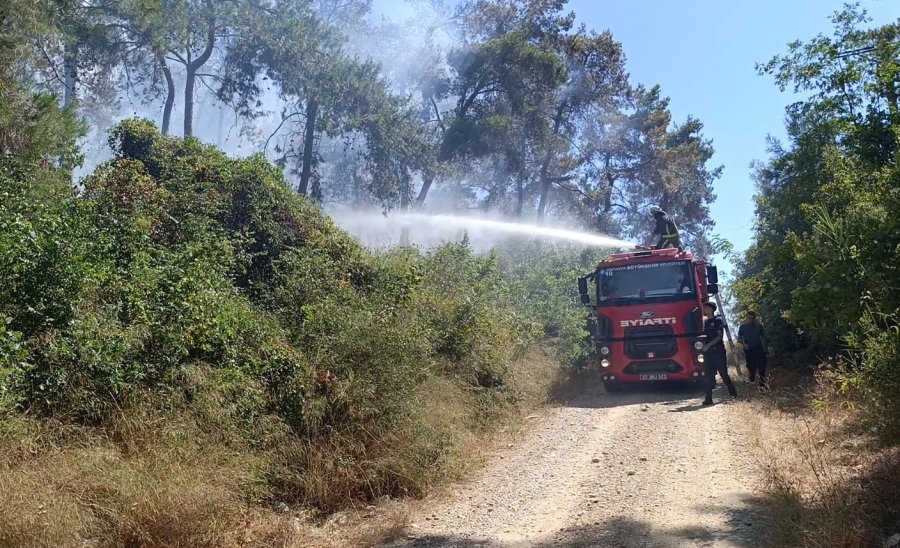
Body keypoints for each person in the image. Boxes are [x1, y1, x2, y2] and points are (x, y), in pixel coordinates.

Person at [701, 301, 737, 405]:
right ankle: (708, 399)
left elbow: (720, 336)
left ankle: (733, 394)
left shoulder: (718, 320)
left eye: (705, 308)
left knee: (723, 373)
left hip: (718, 351)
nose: (704, 310)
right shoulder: (704, 322)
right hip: (708, 354)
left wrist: (708, 345)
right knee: (708, 376)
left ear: (711, 309)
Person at [738, 311, 768, 389]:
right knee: (752, 368)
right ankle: (751, 380)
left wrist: (765, 349)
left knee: (761, 367)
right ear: (746, 318)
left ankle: (762, 386)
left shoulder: (758, 327)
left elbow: (762, 338)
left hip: (759, 349)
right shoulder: (742, 327)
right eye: (749, 318)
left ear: (754, 318)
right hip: (749, 350)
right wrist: (744, 344)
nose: (751, 320)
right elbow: (739, 339)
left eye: (752, 318)